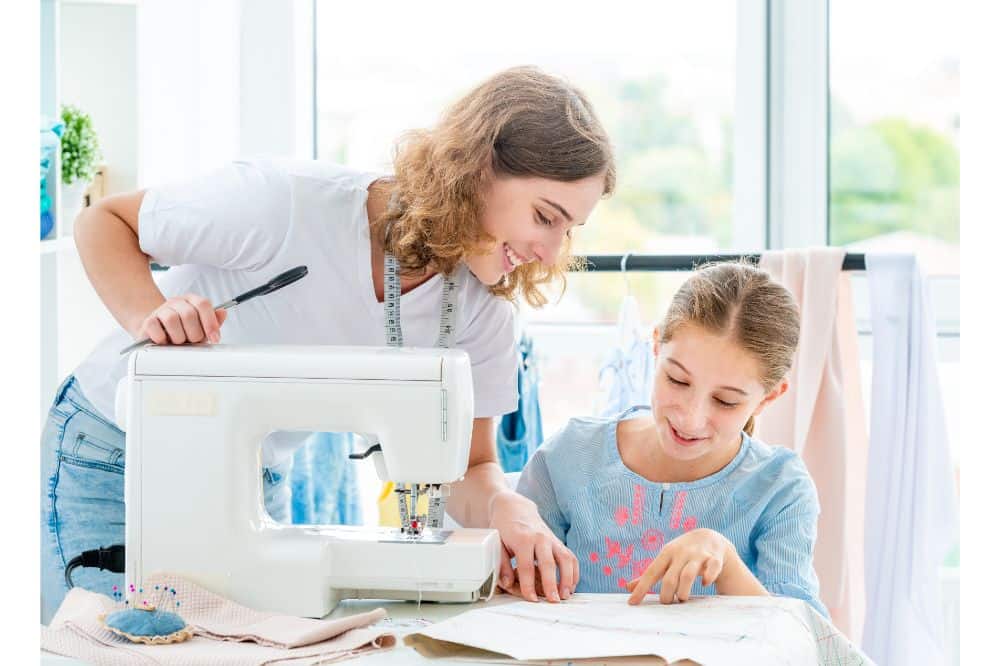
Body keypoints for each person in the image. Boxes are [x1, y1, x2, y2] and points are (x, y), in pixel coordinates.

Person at [40, 66, 616, 623]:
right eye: (546, 216)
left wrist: (502, 506)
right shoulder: (284, 203)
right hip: (113, 455)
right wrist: (155, 317)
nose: (550, 249)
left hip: (246, 483)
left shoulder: (484, 312)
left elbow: (471, 465)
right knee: (109, 645)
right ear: (478, 167)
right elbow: (104, 223)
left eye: (569, 230)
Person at [516, 262, 829, 617]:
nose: (690, 418)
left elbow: (805, 640)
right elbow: (508, 601)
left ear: (769, 397)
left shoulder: (780, 488)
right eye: (678, 380)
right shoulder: (571, 457)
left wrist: (726, 563)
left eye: (726, 401)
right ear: (655, 346)